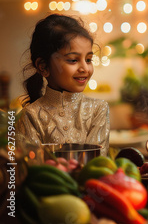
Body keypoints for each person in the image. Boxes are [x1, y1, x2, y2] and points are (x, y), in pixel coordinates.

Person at [17, 14, 110, 155]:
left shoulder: (98, 109)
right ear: (43, 67)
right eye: (73, 60)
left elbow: (97, 162)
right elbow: (33, 168)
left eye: (89, 59)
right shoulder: (31, 115)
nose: (85, 68)